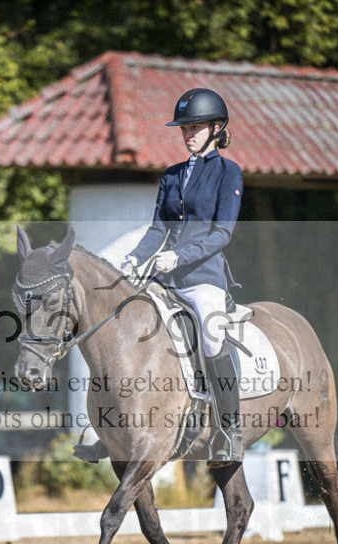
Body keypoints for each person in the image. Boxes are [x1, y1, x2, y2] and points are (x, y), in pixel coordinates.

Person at [121, 88, 244, 466]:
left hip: (204, 279)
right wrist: (133, 259)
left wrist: (177, 257)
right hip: (167, 278)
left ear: (216, 127)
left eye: (194, 127)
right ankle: (112, 431)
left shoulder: (228, 173)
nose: (187, 133)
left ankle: (230, 430)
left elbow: (221, 234)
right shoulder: (172, 176)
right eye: (183, 128)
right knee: (128, 322)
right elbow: (158, 229)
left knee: (210, 336)